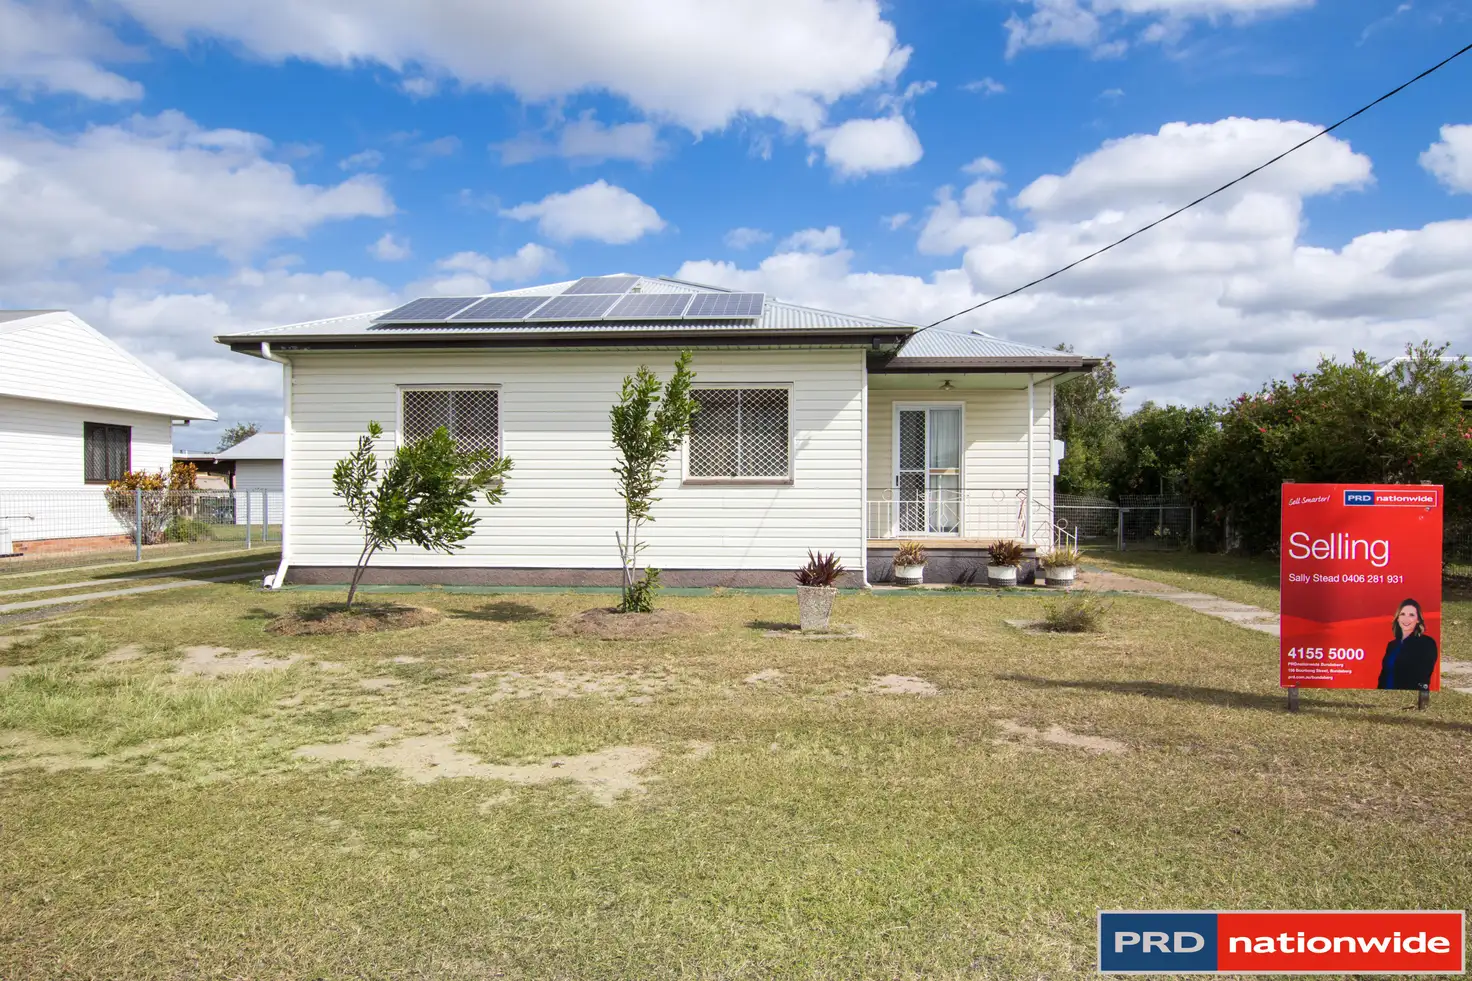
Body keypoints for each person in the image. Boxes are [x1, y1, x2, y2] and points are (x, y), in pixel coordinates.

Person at [1378, 598, 1439, 691]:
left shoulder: (1426, 643)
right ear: (1398, 618)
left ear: (1418, 619)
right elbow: (1384, 674)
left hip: (1406, 696)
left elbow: (1424, 676)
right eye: (1402, 614)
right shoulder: (1392, 645)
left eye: (1411, 615)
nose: (1406, 619)